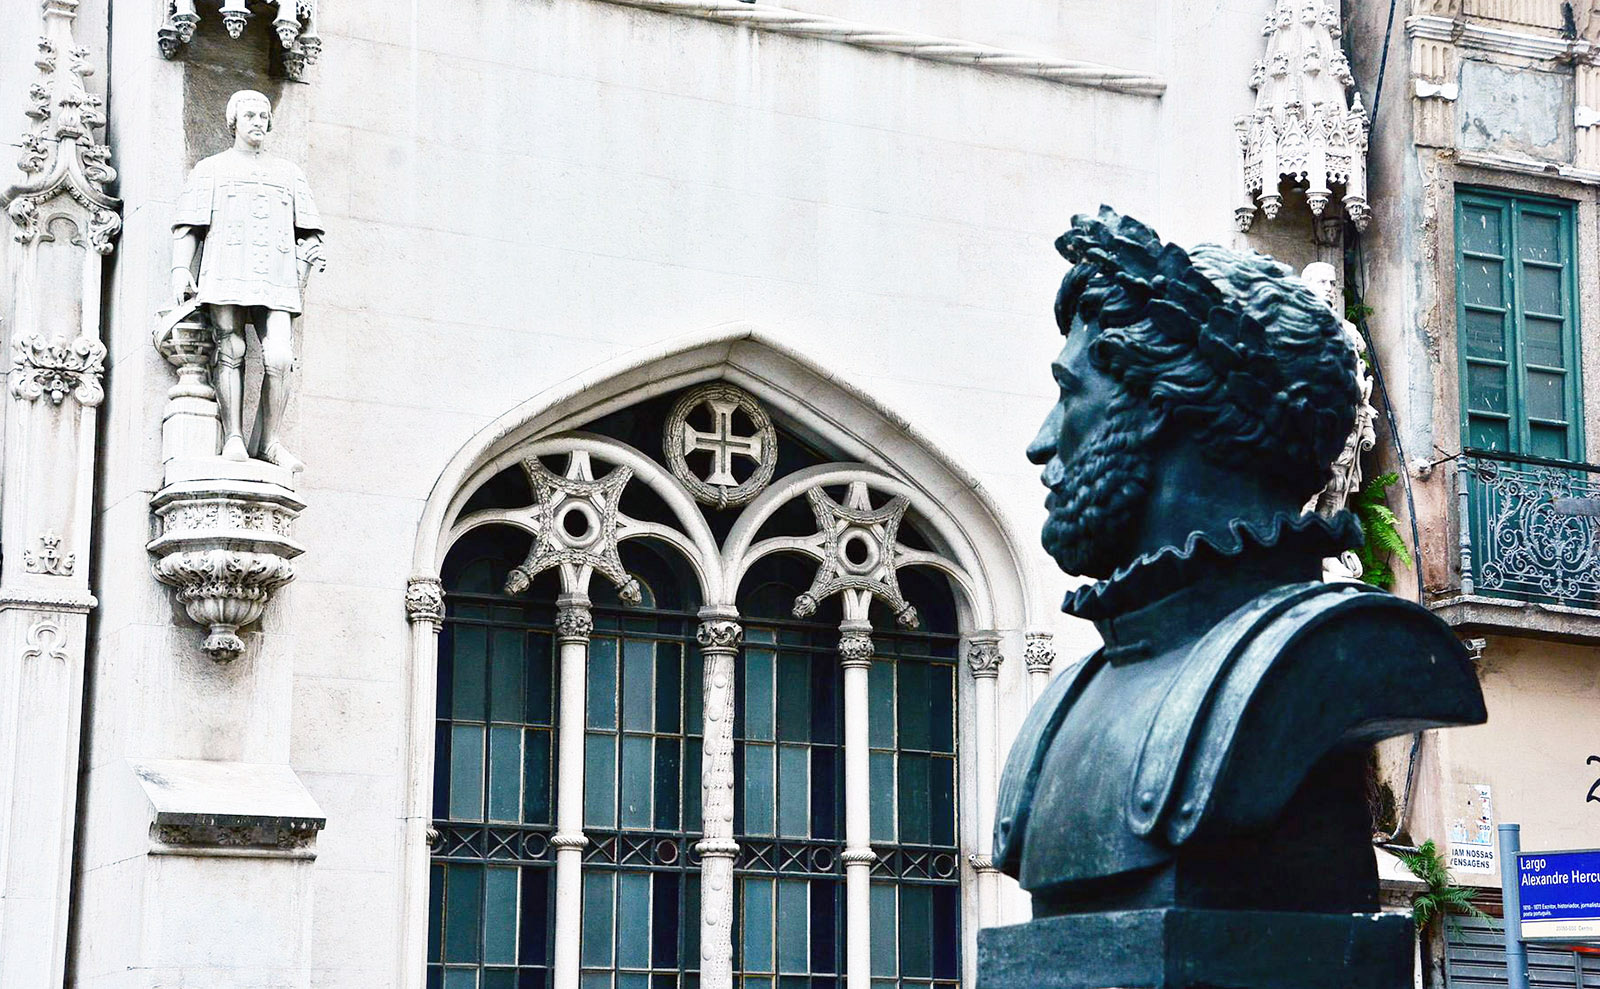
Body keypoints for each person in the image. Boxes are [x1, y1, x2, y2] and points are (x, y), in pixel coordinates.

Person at [992, 208, 1485, 923]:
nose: (1042, 444)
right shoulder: (1065, 707)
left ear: (1160, 402)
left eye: (1070, 394)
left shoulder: (1341, 654)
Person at [171, 90, 323, 472]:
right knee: (232, 347)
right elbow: (189, 226)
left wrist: (309, 254)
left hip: (276, 273)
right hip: (226, 266)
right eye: (250, 116)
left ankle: (269, 442)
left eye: (263, 116)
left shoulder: (288, 173)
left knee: (279, 357)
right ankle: (234, 435)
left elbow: (310, 231)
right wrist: (180, 269)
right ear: (234, 122)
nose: (257, 122)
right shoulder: (211, 168)